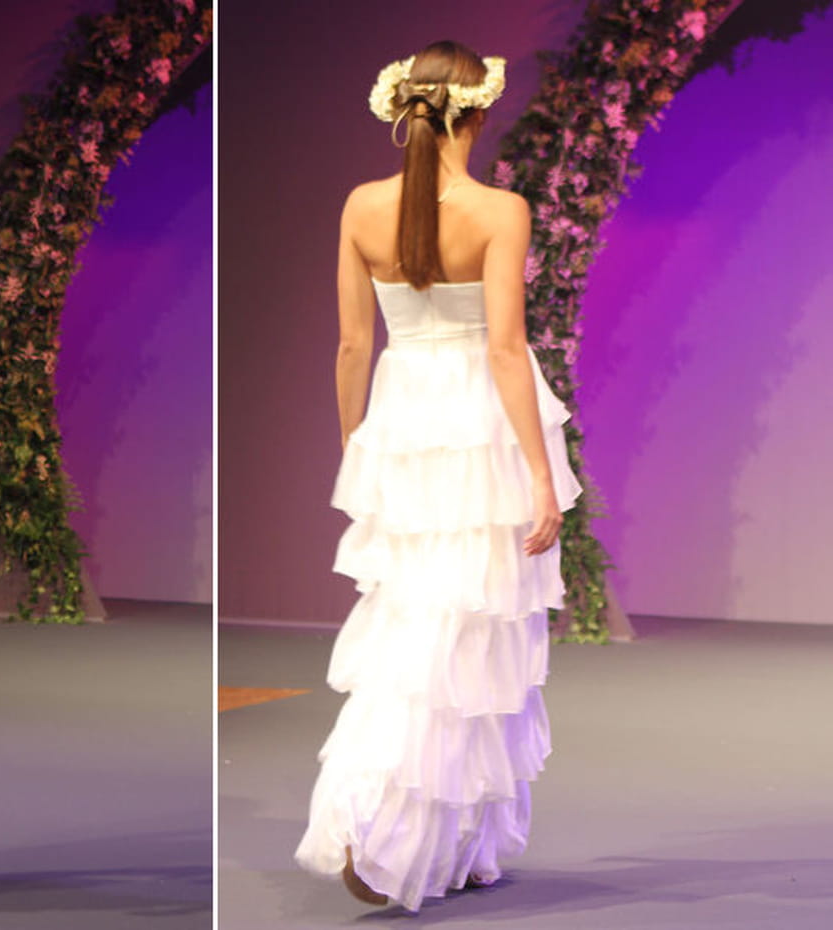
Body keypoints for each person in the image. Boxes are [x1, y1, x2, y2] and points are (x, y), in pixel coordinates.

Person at [293, 41, 582, 911]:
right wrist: (541, 477)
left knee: (417, 619)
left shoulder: (361, 205)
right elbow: (504, 350)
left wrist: (358, 449)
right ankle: (401, 828)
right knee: (472, 630)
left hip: (404, 420)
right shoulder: (499, 210)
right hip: (478, 428)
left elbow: (353, 345)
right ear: (478, 113)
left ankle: (414, 829)